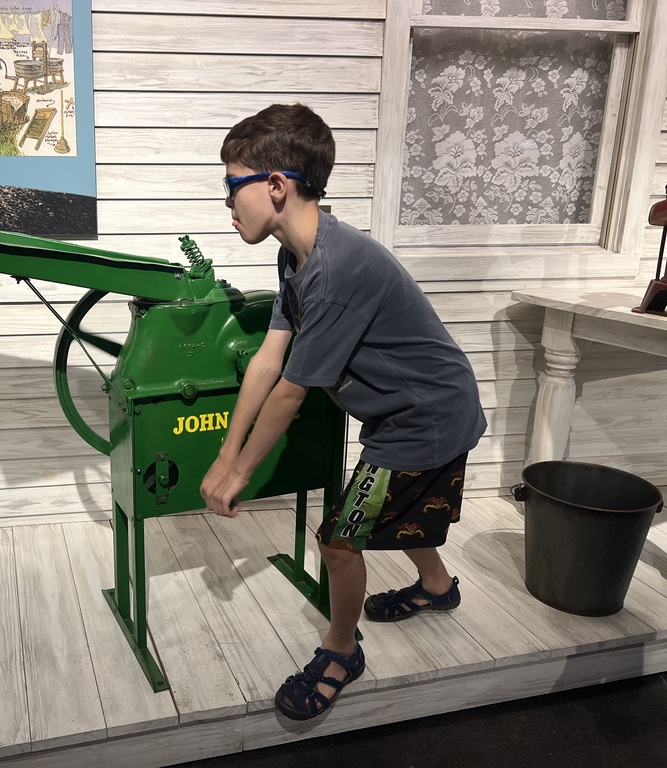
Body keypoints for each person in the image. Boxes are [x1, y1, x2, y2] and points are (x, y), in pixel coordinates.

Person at [199, 104, 487, 721]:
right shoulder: (296, 256)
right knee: (396, 505)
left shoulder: (335, 268)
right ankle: (437, 588)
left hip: (427, 417)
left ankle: (340, 651)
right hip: (401, 412)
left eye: (232, 187)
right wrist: (225, 454)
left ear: (275, 186)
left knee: (337, 540)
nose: (227, 204)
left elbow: (292, 390)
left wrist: (242, 473)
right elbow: (267, 362)